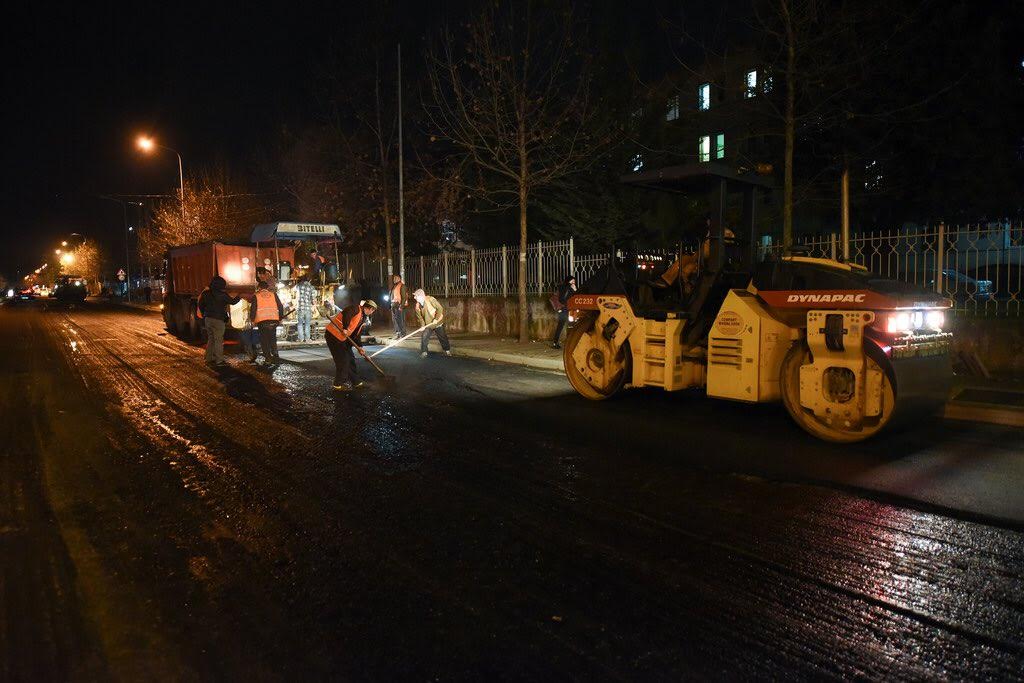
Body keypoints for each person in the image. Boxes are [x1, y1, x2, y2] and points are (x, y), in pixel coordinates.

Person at [325, 299, 378, 391]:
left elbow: (356, 334)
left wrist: (360, 347)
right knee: (343, 360)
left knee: (351, 359)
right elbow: (346, 314)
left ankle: (356, 381)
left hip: (342, 338)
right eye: (372, 310)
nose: (372, 312)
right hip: (333, 335)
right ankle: (338, 385)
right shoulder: (355, 309)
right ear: (368, 308)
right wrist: (345, 328)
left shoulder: (363, 317)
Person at [197, 276, 241, 366]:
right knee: (218, 340)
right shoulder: (222, 294)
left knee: (211, 339)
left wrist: (204, 314)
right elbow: (232, 301)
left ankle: (208, 358)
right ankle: (219, 360)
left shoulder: (205, 294)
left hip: (208, 319)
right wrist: (239, 296)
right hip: (218, 320)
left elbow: (200, 305)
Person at [249, 280, 284, 365]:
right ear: (267, 288)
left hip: (262, 321)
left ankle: (268, 359)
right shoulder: (273, 295)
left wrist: (252, 320)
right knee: (272, 338)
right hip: (274, 320)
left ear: (259, 288)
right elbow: (280, 306)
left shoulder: (256, 296)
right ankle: (275, 355)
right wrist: (280, 318)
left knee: (264, 340)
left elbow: (253, 309)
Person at [413, 288, 452, 358]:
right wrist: (422, 326)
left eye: (416, 296)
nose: (414, 297)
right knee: (424, 336)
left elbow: (440, 308)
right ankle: (424, 352)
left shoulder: (430, 300)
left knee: (442, 336)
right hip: (428, 324)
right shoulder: (417, 306)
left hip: (437, 322)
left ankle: (447, 350)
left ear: (421, 296)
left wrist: (436, 319)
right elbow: (420, 318)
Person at [551, 275, 576, 349]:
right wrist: (572, 290)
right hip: (563, 309)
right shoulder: (564, 287)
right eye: (572, 281)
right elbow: (563, 299)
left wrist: (574, 291)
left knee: (572, 325)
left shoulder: (571, 287)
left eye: (574, 281)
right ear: (568, 281)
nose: (574, 282)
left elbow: (573, 298)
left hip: (570, 309)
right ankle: (555, 343)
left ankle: (571, 342)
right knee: (561, 325)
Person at [294, 275, 316, 343]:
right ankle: (307, 339)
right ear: (308, 280)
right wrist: (313, 304)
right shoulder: (311, 287)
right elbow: (313, 300)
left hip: (300, 308)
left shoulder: (298, 286)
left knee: (300, 324)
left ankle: (301, 338)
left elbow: (294, 293)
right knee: (307, 324)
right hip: (307, 309)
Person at [389, 274, 407, 338]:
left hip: (399, 306)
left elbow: (404, 297)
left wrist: (401, 306)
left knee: (401, 320)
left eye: (396, 278)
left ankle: (403, 334)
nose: (394, 279)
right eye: (394, 278)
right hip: (393, 306)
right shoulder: (394, 286)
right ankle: (398, 333)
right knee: (395, 320)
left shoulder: (402, 286)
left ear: (399, 278)